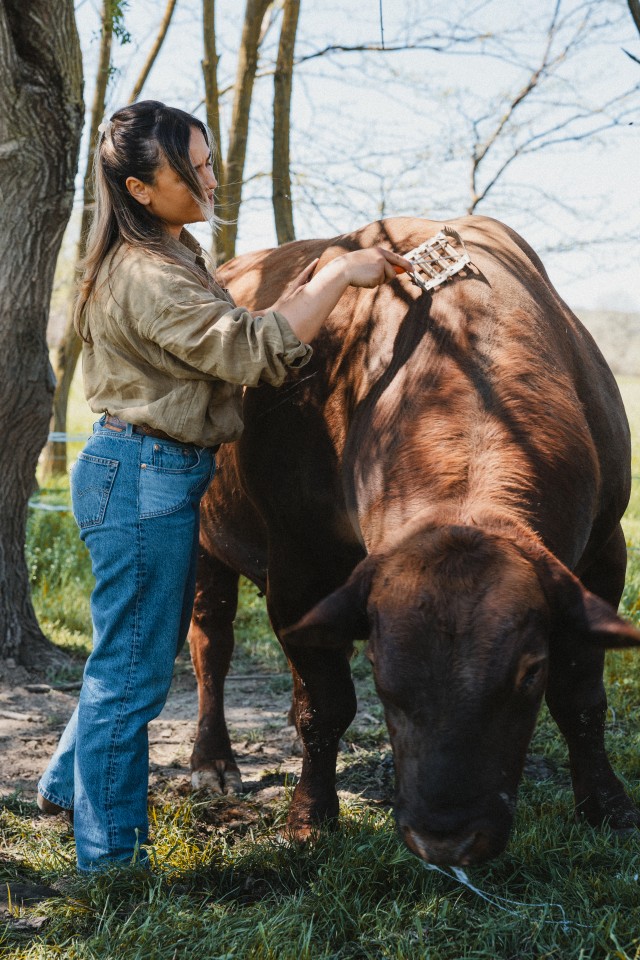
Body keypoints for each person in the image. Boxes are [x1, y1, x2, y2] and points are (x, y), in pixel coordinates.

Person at [36, 100, 412, 873]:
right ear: (141, 188)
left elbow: (221, 342)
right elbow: (247, 351)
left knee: (133, 652)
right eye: (191, 170)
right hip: (139, 476)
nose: (212, 179)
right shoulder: (144, 273)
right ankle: (111, 866)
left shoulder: (175, 249)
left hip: (154, 473)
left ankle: (66, 787)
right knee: (133, 676)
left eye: (209, 160)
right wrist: (339, 274)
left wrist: (304, 288)